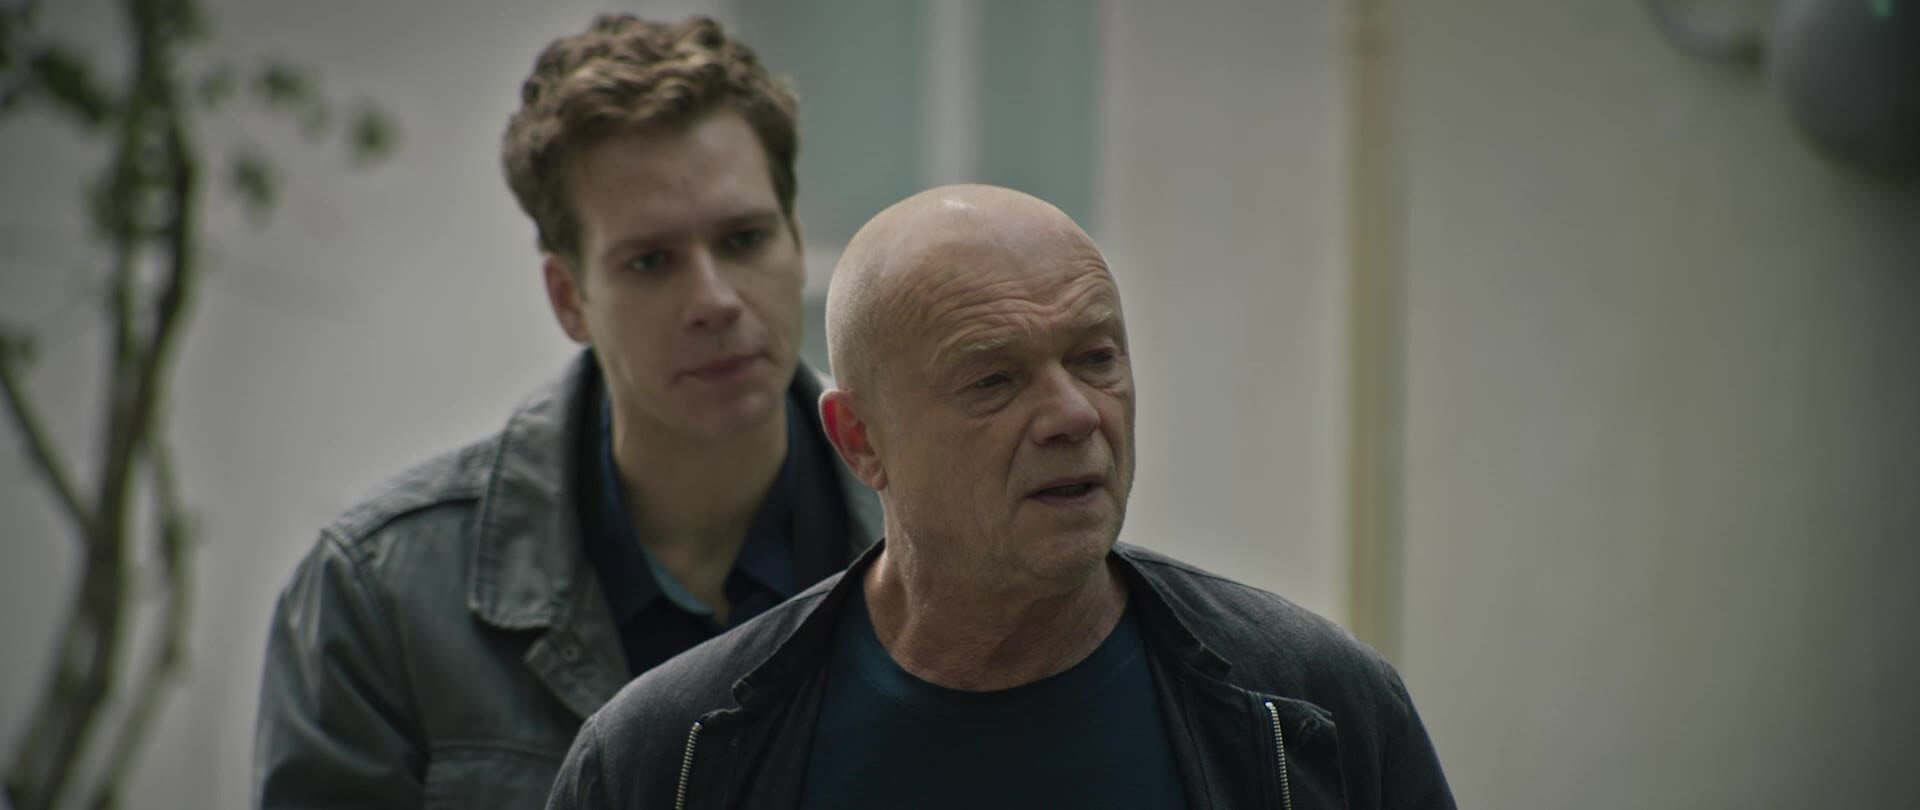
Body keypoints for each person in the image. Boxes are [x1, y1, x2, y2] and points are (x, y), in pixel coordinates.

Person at [542, 184, 1455, 809]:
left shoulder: (1314, 711)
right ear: (860, 441)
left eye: (1095, 358)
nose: (1074, 415)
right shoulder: (670, 758)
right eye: (993, 380)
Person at [253, 15, 880, 809]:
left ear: (794, 240)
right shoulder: (381, 599)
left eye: (744, 239)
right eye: (651, 261)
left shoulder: (939, 533)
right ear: (569, 297)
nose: (715, 300)